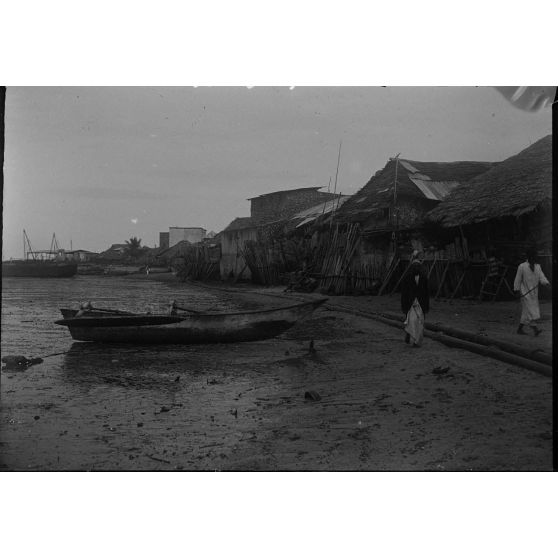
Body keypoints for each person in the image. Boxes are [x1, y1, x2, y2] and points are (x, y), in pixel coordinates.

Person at [513, 247, 550, 336]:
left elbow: (542, 277)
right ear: (529, 256)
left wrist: (547, 284)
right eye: (533, 256)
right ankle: (535, 329)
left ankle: (519, 329)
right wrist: (517, 290)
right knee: (530, 310)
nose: (535, 257)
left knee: (527, 311)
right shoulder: (522, 266)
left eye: (536, 256)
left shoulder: (538, 267)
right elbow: (517, 279)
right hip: (524, 292)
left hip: (534, 293)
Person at [401, 260, 429, 347]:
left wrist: (426, 306)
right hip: (410, 303)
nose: (416, 268)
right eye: (415, 266)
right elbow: (404, 293)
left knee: (420, 322)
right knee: (411, 321)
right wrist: (404, 306)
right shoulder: (407, 278)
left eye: (418, 266)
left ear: (420, 268)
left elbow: (427, 293)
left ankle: (417, 342)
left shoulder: (424, 278)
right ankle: (409, 334)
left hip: (421, 303)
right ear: (412, 268)